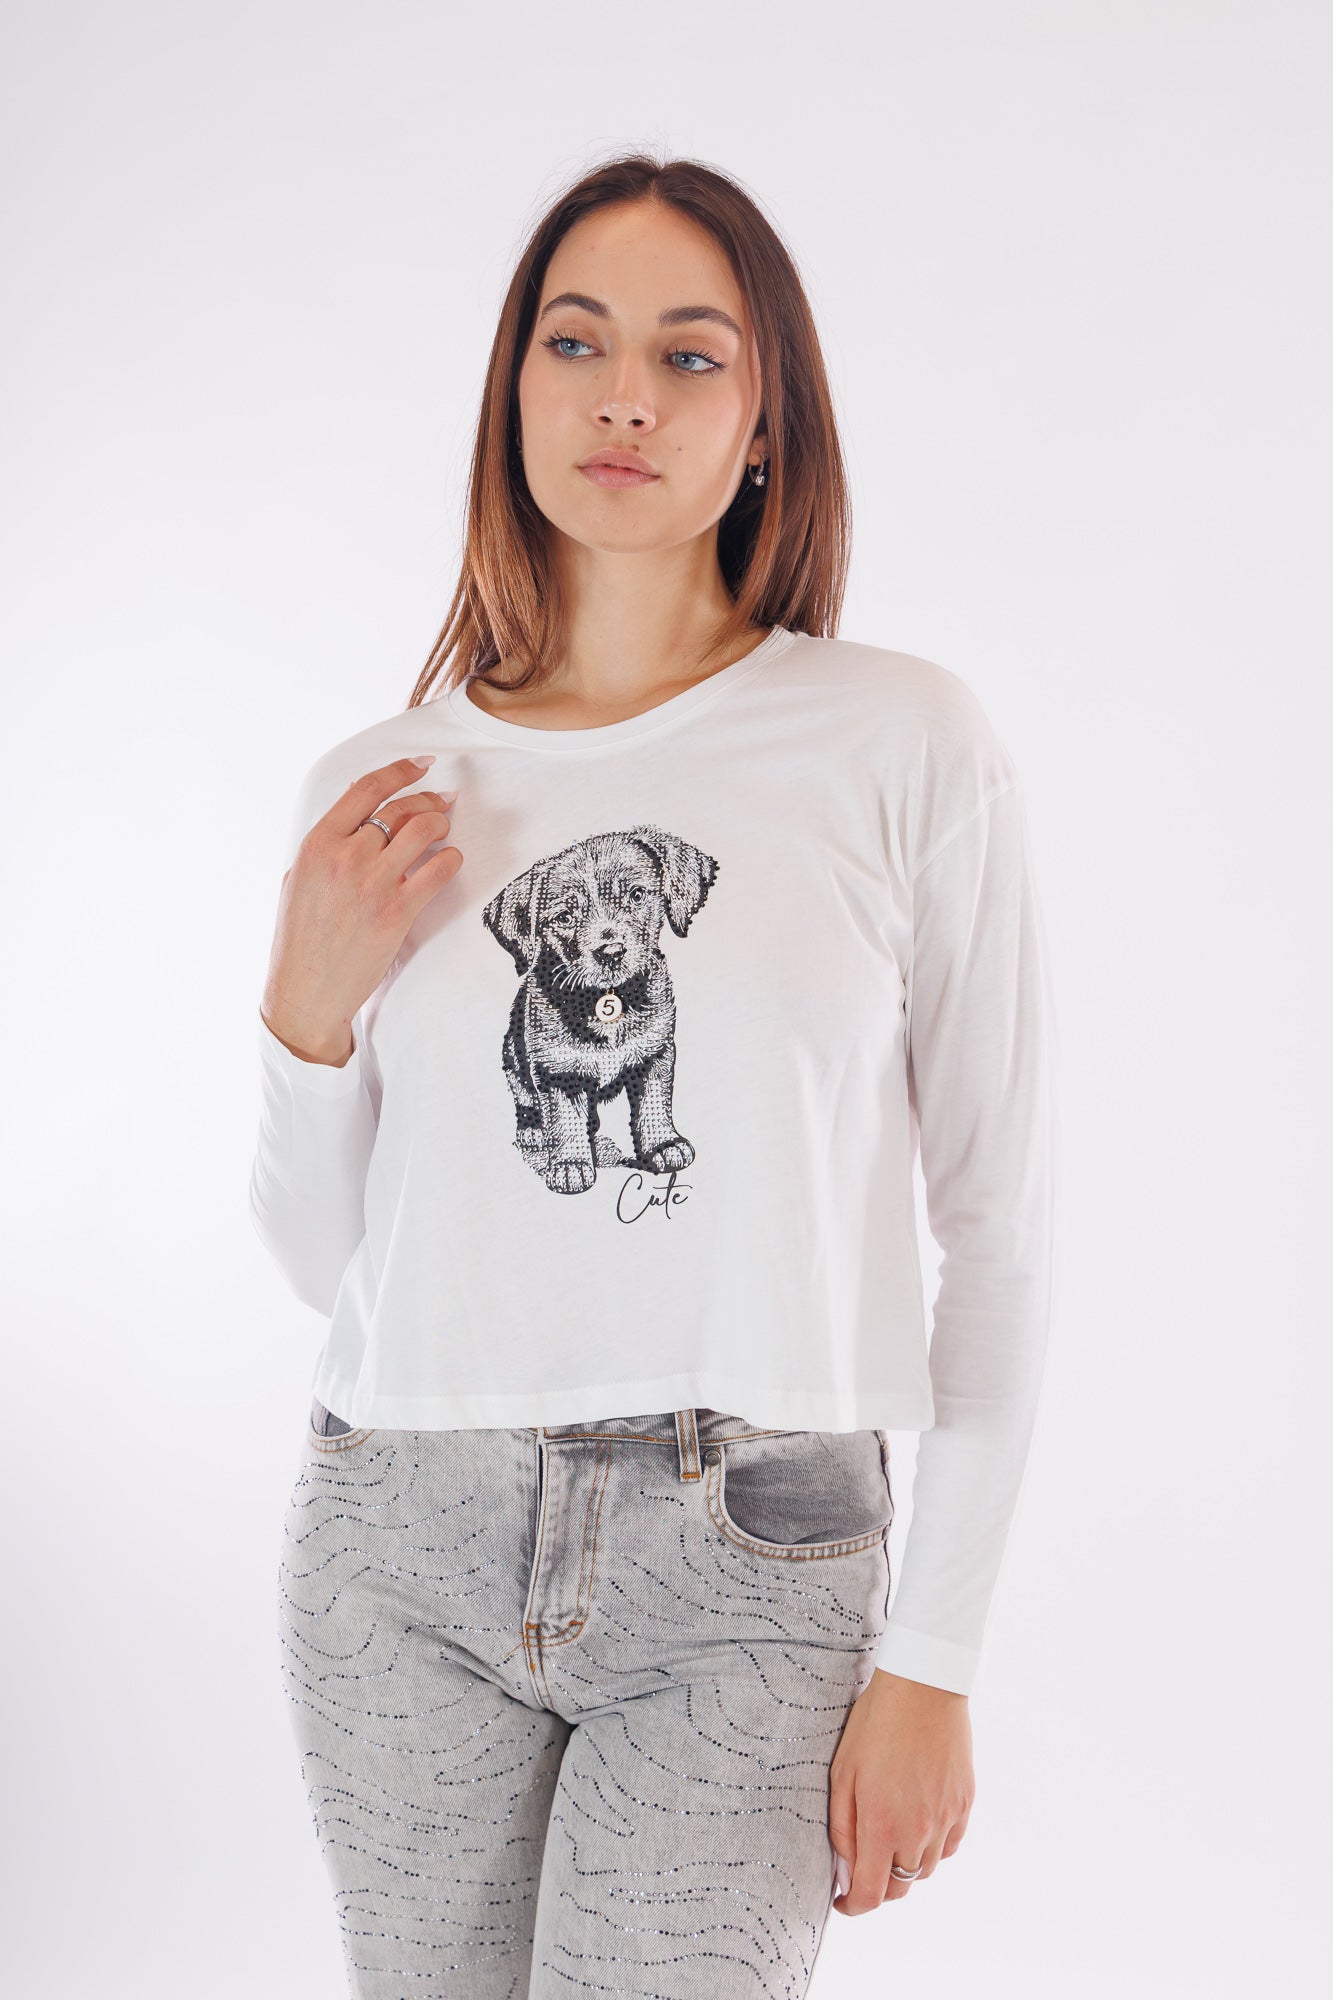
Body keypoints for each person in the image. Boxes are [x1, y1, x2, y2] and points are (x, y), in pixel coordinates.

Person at [251, 151, 1059, 1999]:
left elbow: (999, 1229)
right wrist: (305, 1015)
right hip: (398, 1538)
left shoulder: (895, 742)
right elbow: (328, 1268)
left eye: (689, 357)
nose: (623, 395)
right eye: (575, 342)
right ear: (512, 388)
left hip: (748, 1561)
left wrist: (934, 1658)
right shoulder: (380, 787)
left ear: (765, 423)